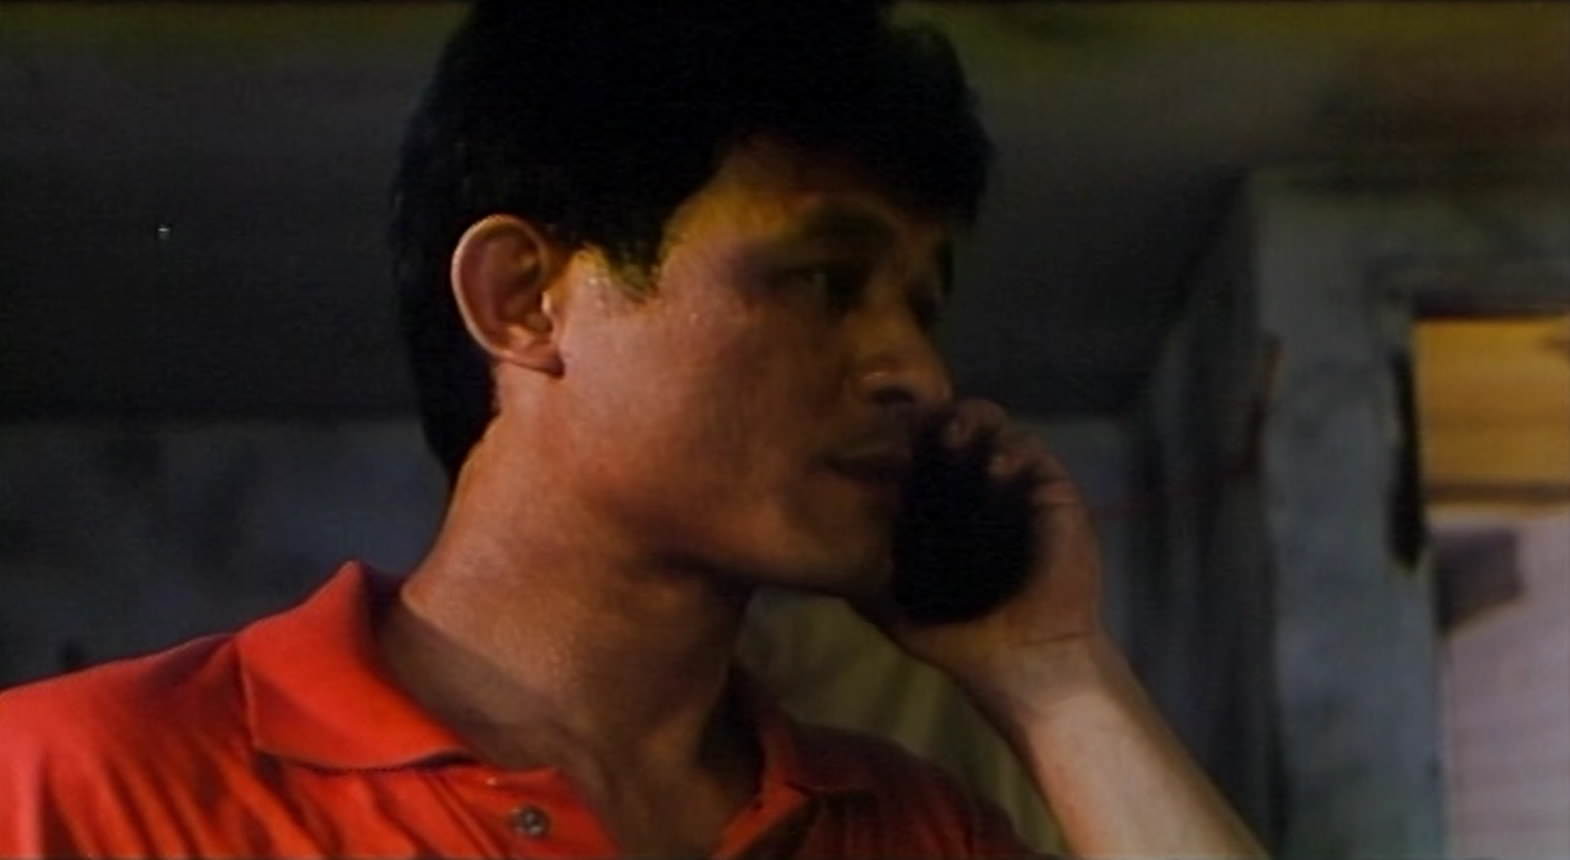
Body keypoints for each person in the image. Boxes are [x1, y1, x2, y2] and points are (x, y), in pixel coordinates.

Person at [0, 1, 1266, 857]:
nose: (918, 375)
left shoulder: (910, 829)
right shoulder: (72, 784)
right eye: (824, 280)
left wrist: (1055, 677)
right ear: (522, 298)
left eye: (920, 309)